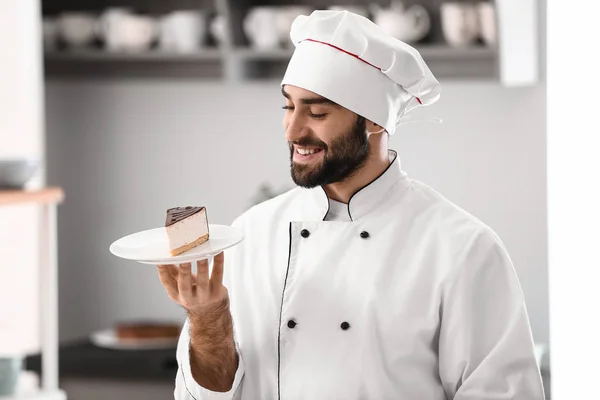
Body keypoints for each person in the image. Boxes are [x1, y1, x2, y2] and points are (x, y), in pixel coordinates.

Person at [157, 10, 545, 400]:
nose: (293, 131)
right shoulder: (251, 234)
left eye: (318, 112)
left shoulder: (460, 249)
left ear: (374, 121)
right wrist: (208, 319)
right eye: (288, 107)